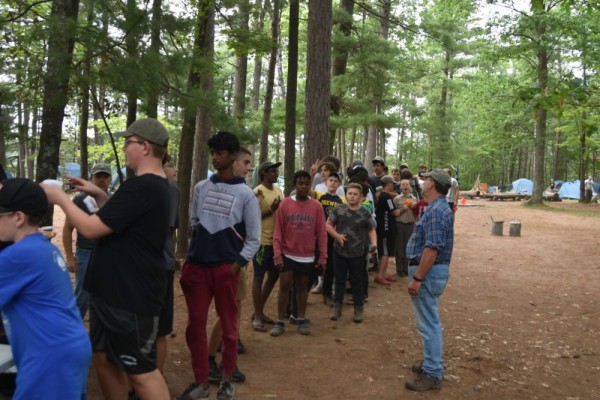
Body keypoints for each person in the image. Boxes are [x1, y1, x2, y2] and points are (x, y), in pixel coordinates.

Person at [42, 117, 172, 400]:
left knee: (142, 371)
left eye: (129, 142)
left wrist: (60, 198)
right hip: (111, 291)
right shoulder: (148, 187)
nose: (124, 148)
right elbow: (124, 219)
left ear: (145, 147)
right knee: (102, 357)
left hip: (131, 296)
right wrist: (100, 195)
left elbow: (90, 229)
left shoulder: (144, 186)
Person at [179, 131, 260, 400]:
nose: (215, 158)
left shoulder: (246, 195)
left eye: (220, 153)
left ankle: (227, 381)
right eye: (212, 153)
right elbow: (194, 222)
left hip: (226, 269)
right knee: (195, 326)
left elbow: (254, 238)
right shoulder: (201, 187)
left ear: (232, 156)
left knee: (229, 327)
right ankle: (201, 382)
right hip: (197, 267)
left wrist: (235, 265)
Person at [0, 178, 92, 399]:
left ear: (18, 217)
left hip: (50, 355)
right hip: (68, 347)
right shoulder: (43, 247)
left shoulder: (18, 255)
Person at [404, 169, 454, 392]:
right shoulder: (438, 207)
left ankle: (433, 373)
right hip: (433, 272)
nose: (422, 183)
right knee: (429, 321)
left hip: (429, 273)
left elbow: (432, 249)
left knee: (428, 323)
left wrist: (418, 278)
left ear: (432, 184)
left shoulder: (436, 211)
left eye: (425, 180)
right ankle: (432, 364)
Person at [207, 147, 253, 384]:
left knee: (234, 310)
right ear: (233, 161)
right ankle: (210, 358)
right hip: (227, 260)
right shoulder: (222, 190)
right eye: (246, 162)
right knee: (229, 311)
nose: (249, 168)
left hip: (236, 259)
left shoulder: (241, 191)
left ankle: (227, 359)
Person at [270, 170, 327, 337]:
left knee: (302, 288)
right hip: (287, 253)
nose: (304, 187)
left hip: (307, 256)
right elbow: (278, 231)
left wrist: (322, 257)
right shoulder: (285, 204)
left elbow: (322, 233)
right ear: (294, 185)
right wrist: (277, 254)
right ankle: (280, 322)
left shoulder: (316, 206)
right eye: (300, 183)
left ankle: (301, 320)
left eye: (307, 184)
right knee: (284, 287)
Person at [62, 163, 112, 318]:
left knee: (107, 298)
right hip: (86, 254)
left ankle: (100, 331)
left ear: (110, 179)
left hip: (109, 255)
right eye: (98, 176)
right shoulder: (80, 199)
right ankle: (72, 329)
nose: (102, 180)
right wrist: (70, 257)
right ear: (91, 178)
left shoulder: (115, 200)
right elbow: (67, 229)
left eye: (105, 176)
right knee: (83, 296)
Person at [326, 183, 376, 323]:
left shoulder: (365, 212)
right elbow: (328, 224)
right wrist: (337, 236)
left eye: (355, 194)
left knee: (357, 281)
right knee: (339, 279)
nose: (352, 196)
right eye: (350, 193)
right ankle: (337, 307)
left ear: (361, 197)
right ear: (346, 195)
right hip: (339, 251)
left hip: (358, 252)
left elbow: (371, 229)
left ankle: (358, 309)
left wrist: (374, 244)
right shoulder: (339, 209)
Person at [252, 161, 283, 333]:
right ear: (264, 173)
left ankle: (259, 311)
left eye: (276, 171)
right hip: (261, 242)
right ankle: (257, 317)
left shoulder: (278, 190)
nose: (276, 173)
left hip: (276, 241)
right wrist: (270, 210)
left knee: (274, 275)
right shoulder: (258, 192)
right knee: (258, 277)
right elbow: (251, 217)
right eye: (272, 171)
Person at [155, 160, 180, 377]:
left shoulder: (169, 187)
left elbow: (169, 226)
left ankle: (153, 376)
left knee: (158, 328)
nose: (175, 169)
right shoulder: (169, 187)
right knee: (158, 328)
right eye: (171, 165)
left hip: (161, 262)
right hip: (159, 264)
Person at [310, 172, 347, 302]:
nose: (333, 183)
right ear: (326, 182)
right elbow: (308, 191)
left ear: (339, 184)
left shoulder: (342, 200)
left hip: (333, 234)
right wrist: (311, 174)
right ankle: (309, 288)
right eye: (330, 180)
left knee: (331, 264)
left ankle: (327, 293)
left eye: (336, 181)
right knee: (315, 262)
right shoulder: (320, 195)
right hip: (319, 234)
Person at [374, 175, 400, 285]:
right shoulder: (387, 198)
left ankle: (384, 274)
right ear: (389, 184)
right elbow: (395, 212)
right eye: (392, 184)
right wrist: (402, 208)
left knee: (386, 252)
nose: (393, 186)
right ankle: (380, 275)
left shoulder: (382, 196)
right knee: (384, 252)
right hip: (386, 229)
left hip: (385, 228)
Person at [393, 179, 417, 277]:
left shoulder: (414, 198)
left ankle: (406, 269)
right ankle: (399, 269)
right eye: (403, 184)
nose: (405, 186)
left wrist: (414, 206)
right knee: (399, 248)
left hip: (410, 225)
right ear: (400, 187)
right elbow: (394, 213)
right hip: (400, 224)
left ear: (409, 186)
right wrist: (404, 207)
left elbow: (417, 212)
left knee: (408, 248)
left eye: (407, 184)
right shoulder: (396, 199)